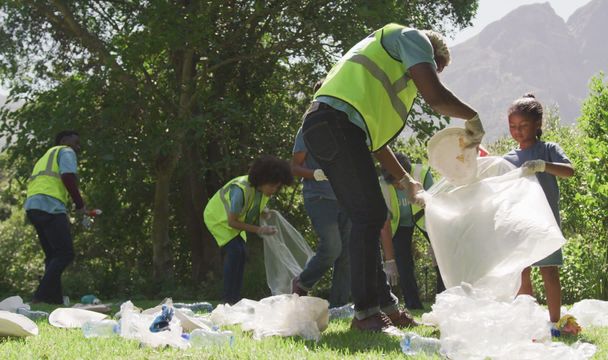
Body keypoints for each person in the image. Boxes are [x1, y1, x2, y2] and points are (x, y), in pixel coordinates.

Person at [300, 23, 484, 331]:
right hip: (333, 124)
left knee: (370, 215)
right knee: (369, 215)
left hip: (338, 128)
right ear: (429, 54)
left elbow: (376, 142)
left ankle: (385, 307)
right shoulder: (412, 38)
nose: (430, 74)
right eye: (433, 68)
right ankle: (365, 314)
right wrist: (472, 117)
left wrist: (407, 181)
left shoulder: (386, 79)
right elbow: (437, 97)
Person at [503, 94, 577, 334]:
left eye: (523, 126)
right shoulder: (509, 159)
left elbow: (570, 171)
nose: (518, 131)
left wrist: (543, 165)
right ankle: (526, 321)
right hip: (518, 224)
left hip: (545, 224)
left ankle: (554, 322)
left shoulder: (548, 150)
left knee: (549, 271)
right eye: (513, 127)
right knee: (522, 273)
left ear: (537, 125)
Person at [204, 155, 294, 305]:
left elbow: (254, 205)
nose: (274, 190)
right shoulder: (241, 190)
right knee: (235, 252)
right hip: (218, 219)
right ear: (262, 180)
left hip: (233, 222)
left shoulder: (262, 190)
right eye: (272, 186)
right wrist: (260, 230)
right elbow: (232, 222)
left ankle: (234, 299)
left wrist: (263, 211)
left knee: (241, 253)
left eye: (277, 187)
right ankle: (228, 300)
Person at [291, 118, 352, 308]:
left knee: (347, 254)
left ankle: (338, 306)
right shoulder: (307, 130)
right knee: (333, 247)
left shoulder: (346, 129)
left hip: (345, 199)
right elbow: (294, 167)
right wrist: (315, 174)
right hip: (319, 198)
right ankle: (302, 282)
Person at [25, 130, 87, 304]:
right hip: (50, 205)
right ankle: (40, 296)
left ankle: (54, 300)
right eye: (76, 142)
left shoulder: (45, 157)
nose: (77, 146)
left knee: (53, 255)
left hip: (33, 206)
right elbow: (67, 177)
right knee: (65, 253)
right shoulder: (66, 151)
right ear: (64, 140)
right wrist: (80, 204)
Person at [379, 153, 433, 310]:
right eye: (395, 185)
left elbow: (436, 205)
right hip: (399, 224)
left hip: (425, 218)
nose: (399, 187)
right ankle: (413, 304)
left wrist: (437, 240)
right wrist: (389, 261)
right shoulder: (382, 186)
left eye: (400, 183)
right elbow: (385, 224)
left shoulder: (422, 174)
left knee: (441, 255)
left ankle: (444, 297)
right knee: (403, 262)